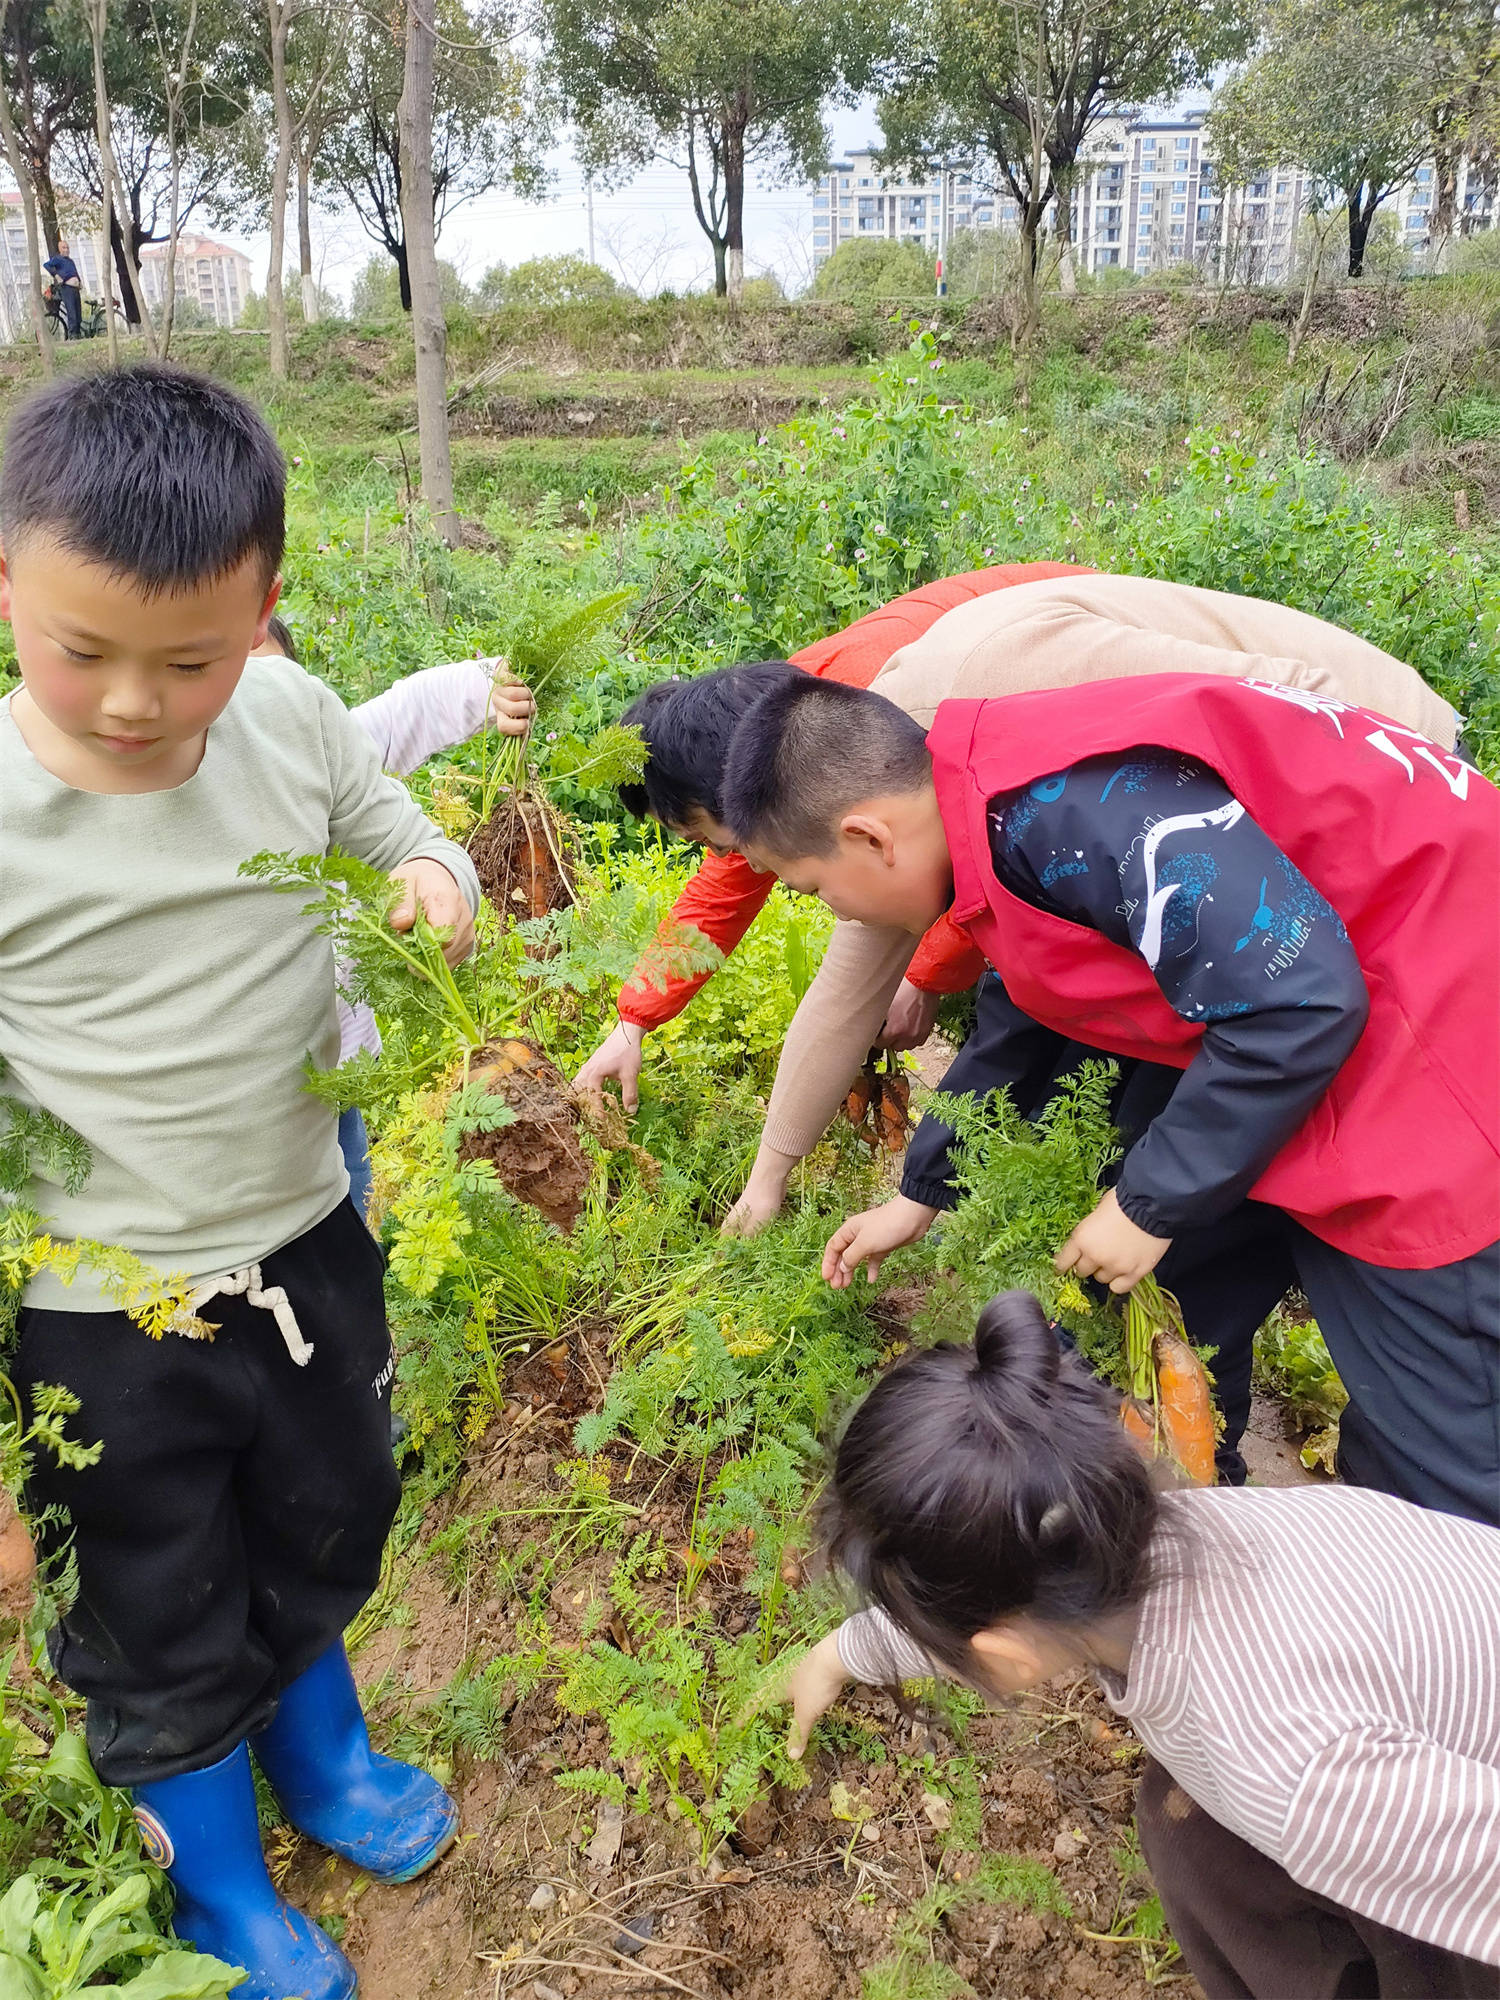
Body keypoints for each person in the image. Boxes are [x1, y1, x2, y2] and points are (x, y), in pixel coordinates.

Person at [0, 364, 482, 2000]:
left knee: (317, 1516)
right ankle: (220, 1888)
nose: (134, 703)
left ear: (265, 610)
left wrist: (435, 881)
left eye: (190, 660)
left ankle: (327, 1763)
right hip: (96, 1309)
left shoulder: (289, 721)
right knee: (156, 1594)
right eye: (81, 651)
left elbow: (401, 827)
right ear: (7, 586)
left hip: (304, 1242)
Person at [718, 666, 1500, 1524]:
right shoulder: (991, 809)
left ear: (869, 837)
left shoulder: (1080, 815)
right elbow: (1035, 1000)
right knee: (1139, 1314)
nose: (838, 913)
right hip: (1297, 1021)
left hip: (1439, 1040)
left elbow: (1299, 1002)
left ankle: (1438, 1579)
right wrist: (922, 1192)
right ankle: (1190, 1513)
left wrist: (1145, 1203)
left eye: (814, 889)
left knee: (1438, 1458)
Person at [784, 1293, 1500, 2000]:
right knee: (1183, 1822)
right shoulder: (1167, 1526)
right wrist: (840, 1655)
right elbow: (1003, 1579)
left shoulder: (1286, 1760)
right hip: (1419, 1717)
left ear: (1007, 1657)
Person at [253, 613, 535, 1217]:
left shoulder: (324, 751)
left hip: (335, 1068)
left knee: (349, 1191)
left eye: (271, 681)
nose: (255, 703)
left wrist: (491, 684)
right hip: (245, 1088)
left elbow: (410, 709)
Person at [43, 238, 82, 338]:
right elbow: (46, 265)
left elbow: (74, 272)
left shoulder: (70, 261)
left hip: (75, 289)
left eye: (67, 248)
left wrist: (79, 281)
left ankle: (78, 333)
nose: (66, 250)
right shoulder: (58, 259)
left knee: (78, 312)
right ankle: (73, 334)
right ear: (60, 249)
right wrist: (56, 275)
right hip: (67, 288)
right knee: (72, 311)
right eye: (64, 248)